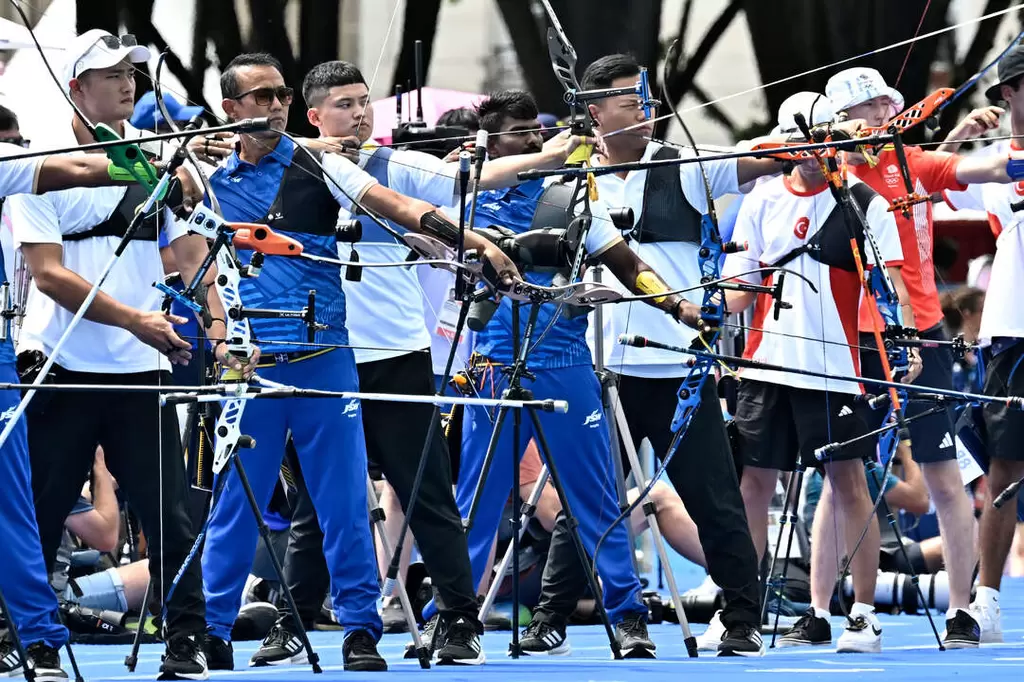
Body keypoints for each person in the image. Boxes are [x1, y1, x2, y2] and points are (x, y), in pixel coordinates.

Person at [196, 52, 519, 673]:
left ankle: (361, 630)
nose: (273, 107)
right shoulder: (207, 181)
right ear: (231, 111)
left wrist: (472, 241)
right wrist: (218, 337)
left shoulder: (324, 162)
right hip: (252, 368)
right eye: (258, 98)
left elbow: (400, 206)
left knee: (346, 502)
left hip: (329, 358)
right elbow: (196, 263)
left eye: (279, 96)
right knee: (240, 504)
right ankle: (209, 629)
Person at [419, 87, 712, 660]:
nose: (533, 138)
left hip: (567, 364)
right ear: (490, 142)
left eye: (537, 130)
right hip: (493, 368)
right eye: (519, 132)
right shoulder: (464, 196)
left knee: (596, 497)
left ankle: (627, 617)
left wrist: (679, 306)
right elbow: (428, 220)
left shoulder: (574, 199)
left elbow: (629, 266)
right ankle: (452, 617)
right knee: (476, 498)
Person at [3, 29, 246, 681]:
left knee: (169, 513)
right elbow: (49, 274)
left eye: (131, 73)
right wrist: (136, 318)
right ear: (76, 89)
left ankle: (186, 638)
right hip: (59, 367)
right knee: (42, 512)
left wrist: (212, 314)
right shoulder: (38, 167)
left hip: (141, 370)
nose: (126, 82)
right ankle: (31, 638)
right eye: (109, 74)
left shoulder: (155, 164)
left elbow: (185, 252)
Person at [785, 66, 1022, 649]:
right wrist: (822, 144)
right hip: (849, 337)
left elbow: (990, 167)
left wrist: (981, 145)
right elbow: (777, 158)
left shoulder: (911, 160)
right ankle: (820, 611)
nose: (880, 115)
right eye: (865, 109)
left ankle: (964, 611)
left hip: (921, 333)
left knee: (944, 477)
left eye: (884, 105)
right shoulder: (823, 173)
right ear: (837, 121)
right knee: (844, 474)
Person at [570, 53, 793, 658]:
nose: (645, 113)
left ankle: (743, 616)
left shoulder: (686, 165)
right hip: (603, 370)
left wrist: (812, 143)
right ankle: (549, 614)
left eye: (647, 102)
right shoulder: (568, 177)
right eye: (629, 103)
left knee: (714, 499)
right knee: (587, 500)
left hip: (679, 369)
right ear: (594, 112)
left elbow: (763, 159)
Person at [724, 92, 912, 654]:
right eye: (799, 141)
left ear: (836, 137)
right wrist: (695, 315)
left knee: (848, 482)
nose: (811, 151)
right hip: (765, 365)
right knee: (753, 482)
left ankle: (860, 613)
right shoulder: (759, 198)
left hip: (833, 370)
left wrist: (904, 341)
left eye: (822, 138)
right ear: (782, 144)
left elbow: (890, 287)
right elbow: (739, 288)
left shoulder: (862, 202)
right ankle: (743, 609)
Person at [942, 42, 1024, 643]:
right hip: (1013, 331)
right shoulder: (992, 163)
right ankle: (986, 601)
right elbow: (919, 182)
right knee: (1005, 468)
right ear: (1008, 94)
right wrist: (955, 137)